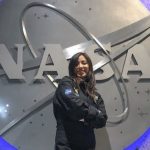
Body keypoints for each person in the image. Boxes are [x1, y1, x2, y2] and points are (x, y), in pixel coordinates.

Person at [53, 52, 108, 150]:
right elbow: (74, 106)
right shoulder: (66, 83)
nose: (80, 66)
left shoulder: (95, 95)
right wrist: (94, 113)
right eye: (76, 64)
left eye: (84, 63)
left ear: (89, 66)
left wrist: (83, 117)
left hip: (88, 146)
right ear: (72, 68)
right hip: (66, 145)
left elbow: (102, 120)